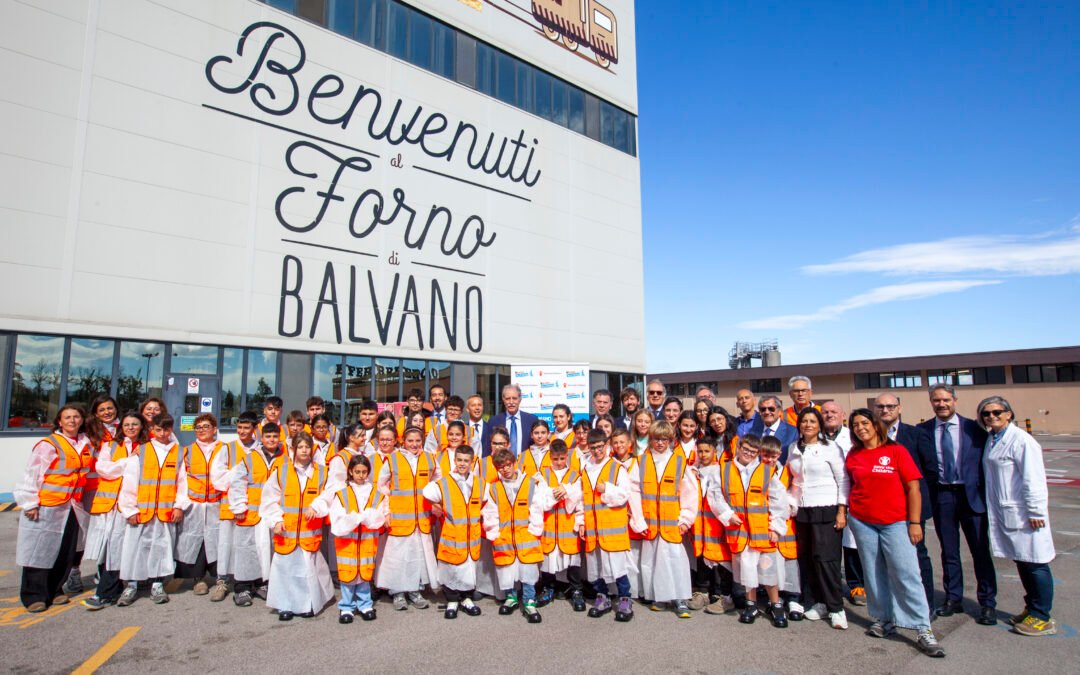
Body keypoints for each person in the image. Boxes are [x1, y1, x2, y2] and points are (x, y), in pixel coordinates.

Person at [846, 408, 944, 658]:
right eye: (856, 425)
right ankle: (882, 618)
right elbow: (852, 485)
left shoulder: (896, 451)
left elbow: (913, 488)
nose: (860, 428)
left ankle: (922, 627)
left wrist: (914, 522)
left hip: (896, 522)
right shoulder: (854, 455)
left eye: (864, 423)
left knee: (906, 572)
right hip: (863, 521)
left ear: (876, 425)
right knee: (873, 572)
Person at [976, 396, 1057, 636]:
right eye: (987, 413)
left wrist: (1035, 511)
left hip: (1026, 514)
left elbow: (1034, 478)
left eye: (997, 412)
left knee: (1036, 563)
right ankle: (1031, 607)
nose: (992, 416)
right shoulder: (994, 439)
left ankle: (1042, 615)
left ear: (1009, 414)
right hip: (1008, 512)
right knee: (1022, 560)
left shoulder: (1022, 441)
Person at [917, 384, 996, 624]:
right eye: (936, 400)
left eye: (945, 400)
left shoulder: (975, 429)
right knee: (949, 550)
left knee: (980, 551)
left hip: (970, 496)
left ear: (955, 400)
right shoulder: (924, 430)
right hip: (942, 496)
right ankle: (953, 598)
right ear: (931, 402)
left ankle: (987, 603)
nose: (941, 404)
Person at [15, 404, 90, 612]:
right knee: (38, 550)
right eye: (67, 417)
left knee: (64, 550)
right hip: (48, 505)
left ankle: (55, 589)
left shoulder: (85, 444)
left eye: (76, 417)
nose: (72, 421)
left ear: (82, 420)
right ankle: (34, 595)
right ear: (59, 421)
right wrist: (30, 502)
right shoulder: (49, 444)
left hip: (72, 506)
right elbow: (33, 473)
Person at [712, 434, 789, 627]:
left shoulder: (766, 472)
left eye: (753, 452)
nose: (748, 454)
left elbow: (780, 502)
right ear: (738, 448)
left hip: (763, 531)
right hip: (739, 532)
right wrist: (728, 514)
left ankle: (775, 604)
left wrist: (777, 528)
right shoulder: (723, 469)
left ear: (758, 453)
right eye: (745, 450)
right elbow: (715, 496)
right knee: (747, 570)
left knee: (768, 570)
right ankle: (751, 603)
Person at [787, 407, 849, 629]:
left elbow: (843, 480)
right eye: (804, 421)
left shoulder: (831, 448)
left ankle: (836, 607)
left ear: (820, 425)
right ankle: (819, 603)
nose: (808, 425)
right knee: (808, 559)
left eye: (813, 421)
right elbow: (792, 479)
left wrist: (842, 510)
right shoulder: (793, 448)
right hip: (803, 510)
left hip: (827, 507)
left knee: (827, 559)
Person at [874, 393, 936, 614]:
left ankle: (926, 605)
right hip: (882, 508)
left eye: (890, 406)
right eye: (880, 406)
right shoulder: (870, 437)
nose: (885, 410)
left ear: (899, 408)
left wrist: (917, 511)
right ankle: (894, 605)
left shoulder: (916, 435)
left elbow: (930, 472)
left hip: (910, 508)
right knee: (887, 559)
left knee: (917, 556)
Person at [261, 431, 333, 620]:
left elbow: (330, 495)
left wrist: (317, 506)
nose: (304, 450)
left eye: (307, 447)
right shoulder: (282, 471)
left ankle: (308, 604)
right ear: (293, 449)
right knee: (286, 571)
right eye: (300, 447)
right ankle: (285, 605)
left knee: (308, 572)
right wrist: (275, 520)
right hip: (287, 532)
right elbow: (269, 498)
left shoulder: (322, 472)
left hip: (309, 533)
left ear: (312, 449)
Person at [631, 420, 699, 618]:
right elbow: (633, 492)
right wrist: (638, 521)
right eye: (655, 439)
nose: (660, 443)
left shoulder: (679, 462)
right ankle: (658, 597)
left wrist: (685, 519)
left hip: (672, 524)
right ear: (650, 440)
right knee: (650, 562)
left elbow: (690, 493)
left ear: (670, 440)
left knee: (674, 560)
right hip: (650, 523)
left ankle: (679, 598)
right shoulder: (641, 461)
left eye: (664, 439)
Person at [118, 413, 187, 605]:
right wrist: (129, 510)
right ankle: (131, 586)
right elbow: (130, 482)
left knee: (161, 548)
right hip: (142, 511)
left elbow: (182, 483)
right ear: (151, 430)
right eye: (158, 429)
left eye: (166, 429)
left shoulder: (179, 452)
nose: (163, 433)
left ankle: (157, 585)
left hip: (165, 511)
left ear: (171, 429)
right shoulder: (142, 451)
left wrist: (179, 506)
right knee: (135, 548)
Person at [82, 412, 145, 610]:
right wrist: (128, 462)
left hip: (131, 504)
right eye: (127, 424)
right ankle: (110, 588)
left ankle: (105, 593)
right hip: (109, 506)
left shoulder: (147, 447)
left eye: (135, 424)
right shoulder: (110, 446)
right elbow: (104, 469)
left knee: (119, 548)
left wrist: (120, 466)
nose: (131, 427)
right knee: (108, 548)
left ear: (142, 427)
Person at [376, 426, 439, 610]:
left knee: (418, 556)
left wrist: (433, 500)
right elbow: (381, 486)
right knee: (398, 557)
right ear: (403, 441)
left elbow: (438, 480)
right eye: (410, 441)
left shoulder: (430, 458)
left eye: (418, 441)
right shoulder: (393, 459)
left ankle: (415, 590)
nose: (414, 444)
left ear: (423, 441)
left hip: (421, 518)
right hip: (400, 518)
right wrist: (388, 509)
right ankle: (398, 592)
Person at [577, 430, 635, 621]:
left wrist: (606, 489)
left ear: (607, 445)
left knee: (617, 567)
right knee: (596, 566)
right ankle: (602, 597)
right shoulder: (585, 468)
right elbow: (581, 499)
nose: (597, 451)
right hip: (593, 527)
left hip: (612, 527)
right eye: (593, 448)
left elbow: (624, 495)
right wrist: (582, 522)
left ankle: (625, 598)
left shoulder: (617, 468)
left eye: (600, 447)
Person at [482, 448, 545, 623]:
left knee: (528, 571)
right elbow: (490, 512)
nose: (505, 469)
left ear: (514, 463)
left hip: (526, 537)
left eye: (508, 465)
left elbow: (537, 508)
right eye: (500, 467)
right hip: (505, 538)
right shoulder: (494, 488)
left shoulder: (530, 483)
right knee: (506, 569)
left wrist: (534, 530)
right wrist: (494, 533)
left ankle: (529, 601)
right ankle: (511, 598)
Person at [423, 444, 484, 619]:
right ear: (454, 460)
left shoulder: (479, 484)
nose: (462, 464)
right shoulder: (442, 483)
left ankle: (466, 598)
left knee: (468, 569)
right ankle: (452, 600)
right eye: (459, 460)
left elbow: (486, 504)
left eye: (466, 460)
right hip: (452, 537)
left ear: (472, 462)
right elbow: (427, 494)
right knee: (451, 569)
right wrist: (435, 505)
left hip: (471, 538)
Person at [227, 421, 284, 607]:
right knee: (246, 550)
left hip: (272, 513)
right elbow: (237, 482)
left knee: (269, 549)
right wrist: (238, 507)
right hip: (251, 513)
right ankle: (242, 588)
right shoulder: (249, 458)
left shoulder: (285, 459)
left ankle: (263, 583)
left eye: (275, 437)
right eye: (268, 437)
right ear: (262, 438)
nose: (271, 440)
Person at [70, 395, 122, 596]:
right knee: (82, 534)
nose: (107, 412)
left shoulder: (121, 430)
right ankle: (74, 571)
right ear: (95, 413)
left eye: (110, 408)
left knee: (109, 533)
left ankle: (105, 572)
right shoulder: (87, 432)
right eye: (102, 410)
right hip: (90, 488)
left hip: (113, 488)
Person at [208, 410, 260, 603]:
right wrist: (239, 473)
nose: (242, 431)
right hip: (230, 507)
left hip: (254, 508)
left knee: (251, 547)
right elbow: (218, 480)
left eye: (247, 428)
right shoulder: (228, 449)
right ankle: (223, 581)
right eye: (239, 427)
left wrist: (238, 473)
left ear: (254, 429)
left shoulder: (260, 449)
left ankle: (252, 582)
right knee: (226, 545)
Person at [329, 454, 385, 623]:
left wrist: (366, 517)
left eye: (364, 471)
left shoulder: (376, 494)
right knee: (348, 573)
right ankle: (346, 606)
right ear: (350, 472)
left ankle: (365, 603)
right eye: (357, 471)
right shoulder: (342, 494)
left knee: (365, 572)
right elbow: (337, 519)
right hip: (348, 541)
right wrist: (354, 519)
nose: (361, 475)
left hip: (367, 539)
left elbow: (378, 517)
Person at [175, 413, 225, 597]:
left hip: (216, 502)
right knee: (195, 541)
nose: (202, 430)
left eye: (206, 426)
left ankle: (221, 578)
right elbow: (181, 478)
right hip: (195, 504)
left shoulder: (224, 449)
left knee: (218, 541)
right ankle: (199, 579)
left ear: (214, 429)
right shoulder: (187, 450)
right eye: (198, 427)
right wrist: (180, 504)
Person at [689, 437, 740, 615]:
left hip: (716, 523)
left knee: (721, 560)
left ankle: (723, 597)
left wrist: (726, 516)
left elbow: (717, 498)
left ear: (714, 452)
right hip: (700, 524)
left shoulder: (720, 471)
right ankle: (703, 593)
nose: (703, 455)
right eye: (700, 451)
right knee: (701, 557)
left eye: (707, 451)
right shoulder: (693, 471)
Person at [533, 440, 585, 612]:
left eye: (562, 458)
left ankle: (576, 590)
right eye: (555, 459)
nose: (559, 462)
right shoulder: (542, 474)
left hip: (568, 526)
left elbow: (579, 500)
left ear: (567, 457)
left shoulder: (575, 475)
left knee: (572, 561)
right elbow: (540, 498)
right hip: (549, 526)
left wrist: (568, 491)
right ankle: (549, 589)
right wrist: (559, 493)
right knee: (549, 561)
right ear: (550, 457)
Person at [608, 429, 644, 603]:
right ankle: (617, 589)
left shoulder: (637, 462)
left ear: (630, 444)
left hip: (634, 510)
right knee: (619, 555)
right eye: (615, 443)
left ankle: (635, 590)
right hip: (616, 513)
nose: (619, 445)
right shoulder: (610, 463)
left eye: (622, 442)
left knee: (634, 554)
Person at [485, 384, 539, 457]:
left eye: (514, 398)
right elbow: (488, 447)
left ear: (520, 399)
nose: (511, 402)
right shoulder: (494, 421)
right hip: (501, 465)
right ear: (503, 400)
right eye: (507, 398)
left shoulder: (531, 420)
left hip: (525, 465)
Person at [750, 396, 798, 462]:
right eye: (763, 409)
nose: (766, 412)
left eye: (771, 409)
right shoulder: (753, 432)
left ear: (780, 411)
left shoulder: (792, 432)